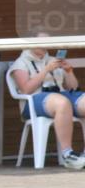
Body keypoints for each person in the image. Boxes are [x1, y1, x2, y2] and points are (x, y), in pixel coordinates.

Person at [9, 34, 85, 169]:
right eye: (42, 41)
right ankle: (68, 154)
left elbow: (73, 88)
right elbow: (26, 89)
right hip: (34, 101)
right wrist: (46, 70)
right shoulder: (21, 63)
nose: (46, 44)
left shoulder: (52, 59)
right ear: (31, 42)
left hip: (59, 95)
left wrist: (69, 71)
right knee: (62, 102)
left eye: (48, 41)